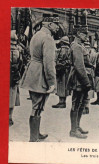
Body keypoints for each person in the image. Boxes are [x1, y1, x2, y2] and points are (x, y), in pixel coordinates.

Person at [20, 13, 60, 142]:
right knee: (37, 106)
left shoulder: (36, 35)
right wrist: (52, 82)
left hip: (33, 72)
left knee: (36, 105)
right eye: (56, 24)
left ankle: (36, 133)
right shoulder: (48, 38)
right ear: (49, 24)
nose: (58, 27)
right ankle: (33, 138)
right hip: (40, 75)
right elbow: (49, 63)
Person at [67, 25, 92, 139]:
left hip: (81, 77)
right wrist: (86, 82)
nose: (87, 36)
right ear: (78, 34)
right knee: (76, 104)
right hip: (78, 79)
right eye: (84, 33)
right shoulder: (76, 46)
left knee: (81, 103)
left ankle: (77, 126)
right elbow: (79, 66)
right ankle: (73, 130)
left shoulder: (80, 46)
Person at [52, 36, 71, 108]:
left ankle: (61, 102)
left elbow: (55, 59)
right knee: (65, 85)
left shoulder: (59, 50)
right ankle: (64, 101)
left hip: (60, 69)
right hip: (67, 70)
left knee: (60, 84)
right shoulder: (70, 50)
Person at [9, 30, 23, 126]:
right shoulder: (18, 50)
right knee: (12, 96)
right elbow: (21, 63)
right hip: (14, 76)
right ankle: (9, 117)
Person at [82, 41, 97, 114]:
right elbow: (95, 65)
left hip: (84, 71)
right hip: (91, 72)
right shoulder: (94, 53)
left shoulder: (83, 51)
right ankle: (87, 106)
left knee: (83, 88)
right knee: (90, 89)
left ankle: (83, 107)